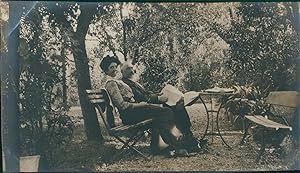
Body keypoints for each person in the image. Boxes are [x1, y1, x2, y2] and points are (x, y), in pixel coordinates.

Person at [99, 55, 190, 157]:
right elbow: (121, 105)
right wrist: (140, 104)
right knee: (166, 112)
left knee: (162, 112)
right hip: (130, 115)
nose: (115, 69)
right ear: (106, 70)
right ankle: (177, 146)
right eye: (111, 67)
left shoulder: (117, 81)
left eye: (115, 66)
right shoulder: (111, 83)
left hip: (134, 111)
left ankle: (159, 147)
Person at [120, 62, 204, 153]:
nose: (132, 70)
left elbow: (146, 93)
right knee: (167, 111)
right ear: (122, 72)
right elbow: (140, 98)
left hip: (143, 108)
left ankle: (187, 136)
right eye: (128, 69)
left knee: (177, 106)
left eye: (132, 68)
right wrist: (158, 98)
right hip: (137, 112)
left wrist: (158, 94)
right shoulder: (125, 83)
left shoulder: (133, 82)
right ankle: (178, 142)